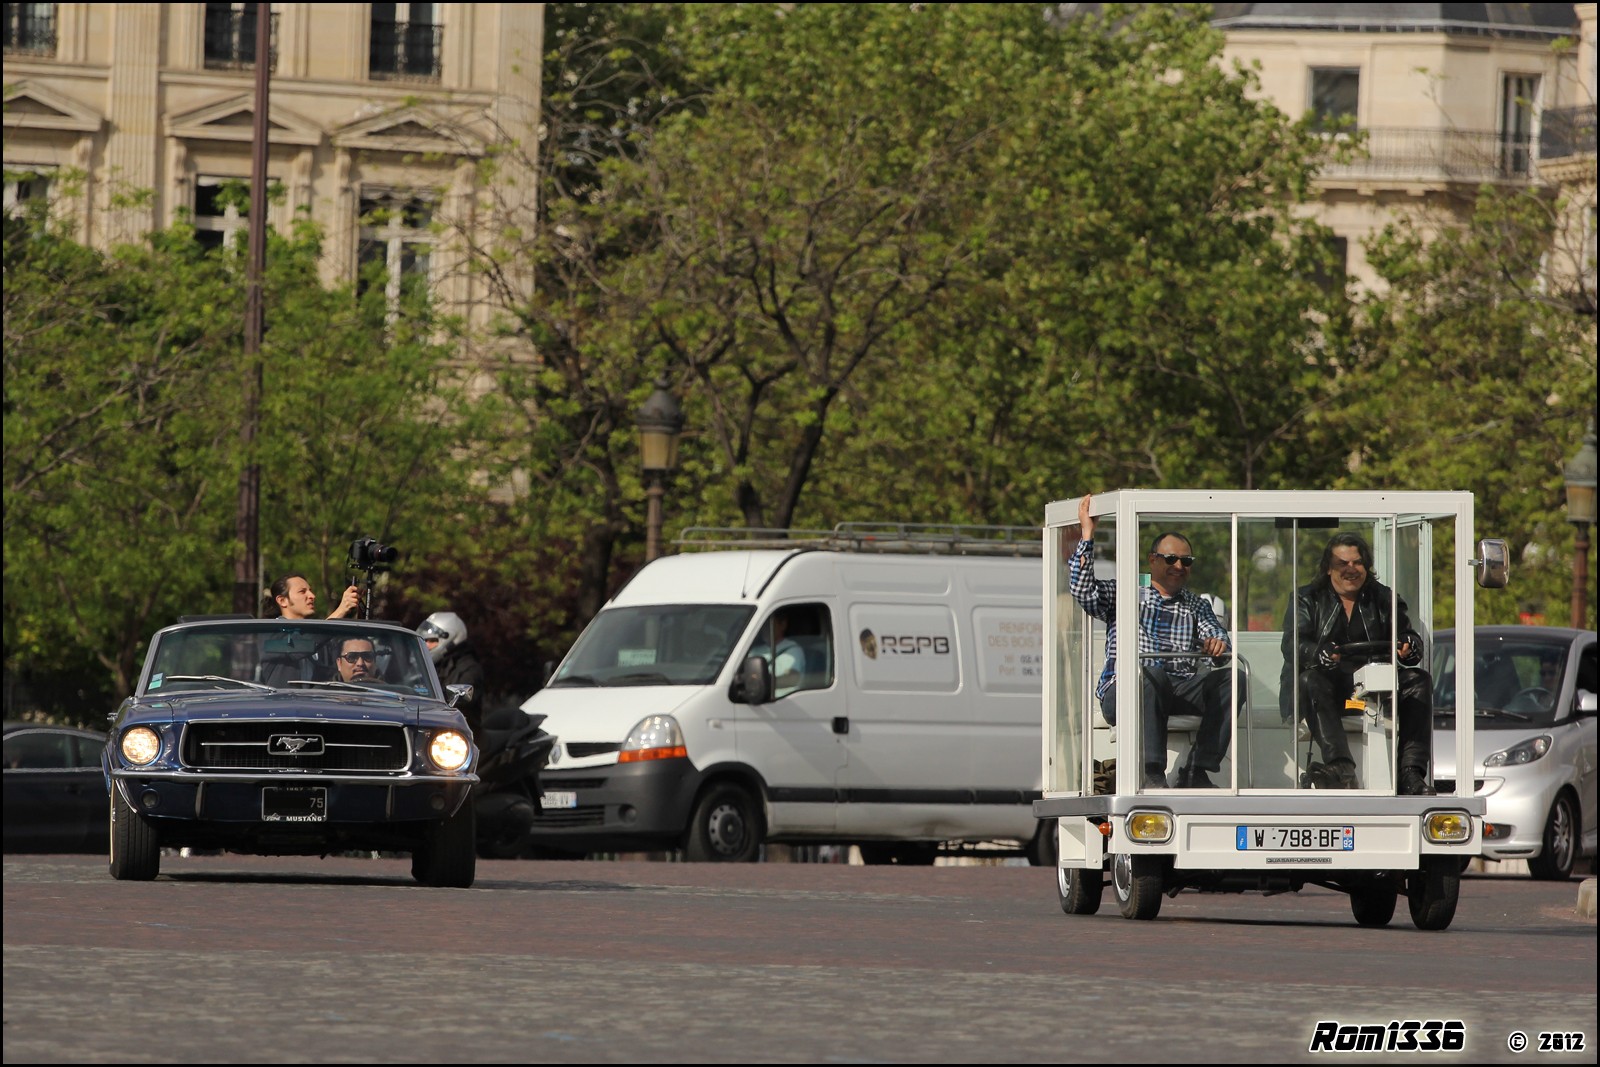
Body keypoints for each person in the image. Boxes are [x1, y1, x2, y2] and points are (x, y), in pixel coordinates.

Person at [1068, 494, 1236, 789]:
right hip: (1126, 691)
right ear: (1152, 560)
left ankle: (1197, 770)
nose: (1179, 566)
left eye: (1186, 561)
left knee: (1233, 679)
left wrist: (1217, 645)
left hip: (1177, 688)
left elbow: (1217, 637)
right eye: (1171, 559)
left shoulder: (1196, 605)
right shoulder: (1126, 592)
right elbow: (1083, 591)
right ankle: (1151, 772)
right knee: (1149, 672)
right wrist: (1087, 534)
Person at [1279, 532, 1435, 795]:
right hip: (1325, 691)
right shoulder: (1307, 597)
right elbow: (1293, 644)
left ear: (1367, 567)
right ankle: (1340, 766)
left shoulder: (1384, 598)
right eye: (1342, 563)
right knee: (1308, 679)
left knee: (1418, 680)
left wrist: (1408, 646)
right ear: (1328, 568)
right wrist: (1321, 654)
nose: (1351, 569)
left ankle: (1410, 773)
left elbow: (1409, 637)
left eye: (1358, 562)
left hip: (1375, 690)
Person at [418, 611, 484, 735]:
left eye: (432, 640)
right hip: (435, 730)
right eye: (424, 641)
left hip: (463, 736)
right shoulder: (429, 667)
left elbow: (463, 701)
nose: (426, 645)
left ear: (452, 639)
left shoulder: (469, 668)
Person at [751, 610, 807, 699]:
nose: (764, 628)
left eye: (768, 624)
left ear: (783, 624)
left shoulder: (793, 650)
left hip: (783, 702)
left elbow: (791, 679)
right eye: (763, 624)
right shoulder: (754, 650)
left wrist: (763, 682)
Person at [269, 573, 360, 620]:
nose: (312, 596)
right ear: (282, 601)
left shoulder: (308, 632)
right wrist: (342, 609)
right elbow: (312, 641)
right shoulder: (272, 633)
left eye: (310, 591)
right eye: (302, 592)